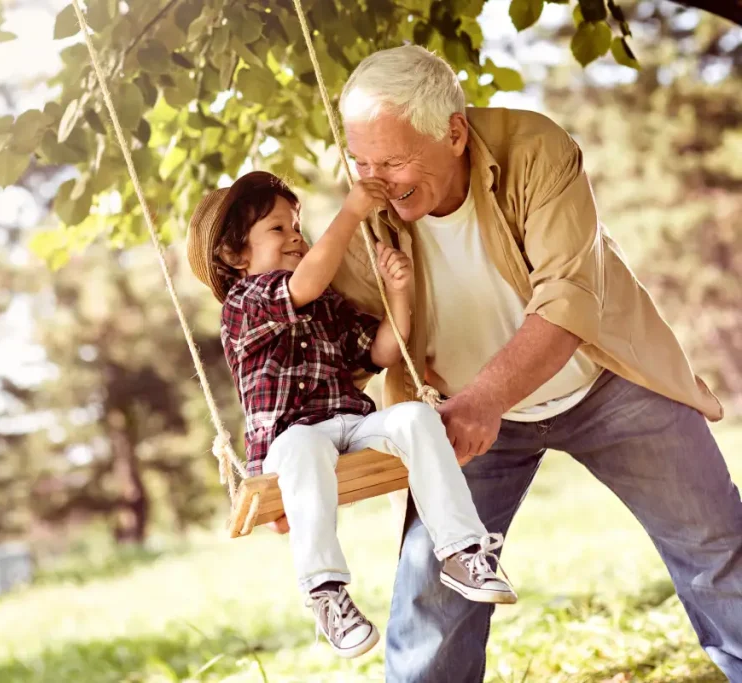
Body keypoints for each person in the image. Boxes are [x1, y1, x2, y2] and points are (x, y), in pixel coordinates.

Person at [328, 44, 742, 682]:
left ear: (455, 132)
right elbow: (337, 347)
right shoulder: (367, 209)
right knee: (434, 600)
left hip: (607, 385)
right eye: (360, 160)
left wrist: (481, 404)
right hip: (460, 412)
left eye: (392, 159)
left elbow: (569, 301)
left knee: (717, 551)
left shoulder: (537, 150)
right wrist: (298, 465)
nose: (375, 178)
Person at [186, 170, 517, 660]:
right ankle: (325, 591)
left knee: (414, 419)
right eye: (278, 229)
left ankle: (463, 552)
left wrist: (397, 291)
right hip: (290, 438)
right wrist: (352, 210)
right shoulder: (245, 303)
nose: (295, 235)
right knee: (302, 446)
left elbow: (383, 352)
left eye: (297, 224)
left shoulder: (323, 303)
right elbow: (304, 282)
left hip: (351, 424)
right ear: (236, 256)